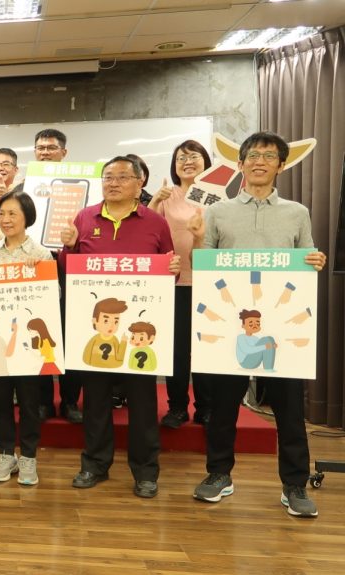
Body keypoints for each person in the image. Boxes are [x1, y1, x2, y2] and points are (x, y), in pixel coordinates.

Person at [188, 131, 326, 518]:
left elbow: (307, 258)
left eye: (268, 156)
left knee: (289, 410)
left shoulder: (297, 212)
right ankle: (219, 474)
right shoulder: (218, 211)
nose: (259, 162)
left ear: (281, 165)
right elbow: (203, 265)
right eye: (252, 156)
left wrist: (315, 261)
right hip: (228, 324)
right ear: (240, 164)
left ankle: (294, 484)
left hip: (282, 327)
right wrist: (197, 241)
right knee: (223, 408)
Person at [60, 155, 180, 499]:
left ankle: (146, 471)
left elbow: (168, 271)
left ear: (140, 183)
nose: (113, 183)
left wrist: (173, 269)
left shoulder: (155, 222)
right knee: (95, 400)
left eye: (122, 177)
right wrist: (68, 247)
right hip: (96, 326)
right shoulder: (84, 218)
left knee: (143, 403)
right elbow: (68, 270)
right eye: (108, 177)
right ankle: (95, 464)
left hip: (140, 328)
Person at [0, 190, 53, 485]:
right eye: (2, 213)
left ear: (27, 217)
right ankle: (5, 454)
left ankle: (28, 457)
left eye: (13, 213)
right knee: (1, 401)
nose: (6, 219)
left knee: (29, 402)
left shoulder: (40, 253)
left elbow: (52, 297)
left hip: (27, 345)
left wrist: (36, 274)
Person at [15, 128, 84, 425]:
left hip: (71, 265)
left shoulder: (85, 186)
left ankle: (69, 401)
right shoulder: (23, 188)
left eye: (51, 148)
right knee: (39, 331)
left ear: (64, 152)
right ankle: (43, 401)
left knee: (72, 333)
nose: (44, 152)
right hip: (34, 264)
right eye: (40, 148)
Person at [149, 140, 214, 428]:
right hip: (173, 283)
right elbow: (148, 230)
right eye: (181, 158)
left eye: (193, 156)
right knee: (176, 350)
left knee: (205, 348)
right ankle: (177, 407)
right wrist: (154, 201)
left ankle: (205, 407)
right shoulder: (167, 195)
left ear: (205, 161)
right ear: (174, 166)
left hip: (209, 283)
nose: (187, 162)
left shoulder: (218, 195)